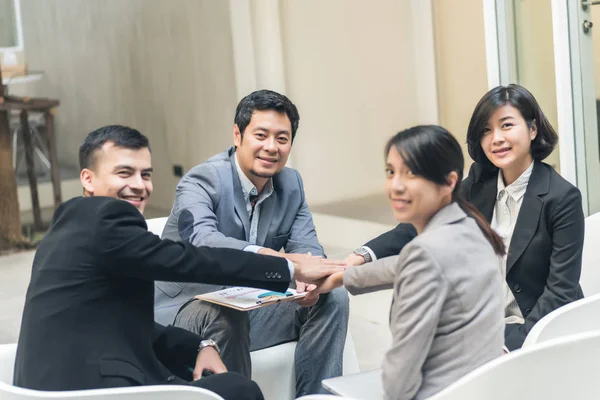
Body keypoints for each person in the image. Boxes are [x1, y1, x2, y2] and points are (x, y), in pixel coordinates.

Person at [13, 125, 341, 400]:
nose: (139, 185)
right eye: (124, 173)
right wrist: (289, 267)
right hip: (97, 390)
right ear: (88, 179)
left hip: (46, 390)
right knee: (238, 390)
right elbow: (190, 260)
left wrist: (198, 345)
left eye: (145, 174)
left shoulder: (67, 228)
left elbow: (124, 321)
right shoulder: (109, 219)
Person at [360, 84, 585, 350]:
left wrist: (509, 345)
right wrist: (361, 256)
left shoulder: (562, 198)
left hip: (539, 331)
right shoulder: (480, 182)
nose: (496, 138)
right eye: (486, 130)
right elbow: (422, 223)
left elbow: (560, 291)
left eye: (507, 125)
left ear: (532, 129)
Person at [155, 89, 349, 396]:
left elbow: (307, 249)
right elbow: (203, 242)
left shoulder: (291, 183)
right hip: (187, 313)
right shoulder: (202, 180)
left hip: (249, 308)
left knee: (332, 298)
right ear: (237, 135)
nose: (271, 147)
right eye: (261, 135)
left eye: (282, 139)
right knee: (225, 314)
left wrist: (310, 283)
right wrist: (278, 261)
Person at [310, 125, 505, 400]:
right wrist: (341, 275)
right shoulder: (471, 227)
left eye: (411, 173)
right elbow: (403, 264)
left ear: (449, 182)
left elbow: (401, 374)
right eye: (391, 172)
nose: (396, 186)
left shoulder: (427, 253)